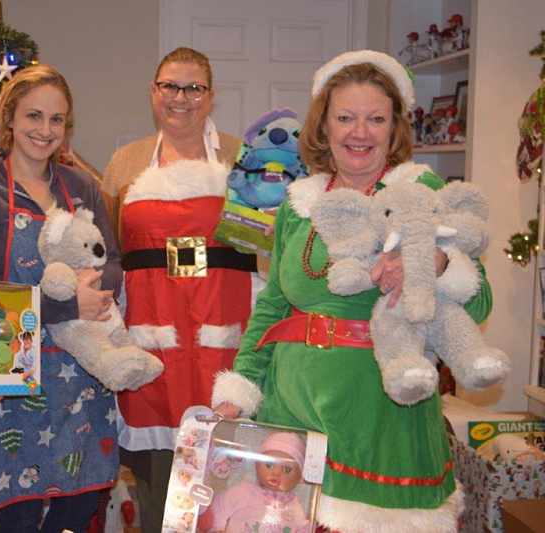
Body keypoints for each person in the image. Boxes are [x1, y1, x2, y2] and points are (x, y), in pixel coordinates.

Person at [211, 50, 492, 532]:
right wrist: (240, 389)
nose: (359, 132)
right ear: (323, 126)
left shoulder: (420, 193)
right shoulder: (297, 206)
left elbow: (480, 302)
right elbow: (273, 306)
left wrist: (438, 263)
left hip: (382, 415)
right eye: (345, 118)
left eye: (375, 119)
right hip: (292, 407)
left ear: (394, 127)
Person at [0, 64, 120, 533]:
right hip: (13, 383)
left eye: (56, 119)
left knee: (77, 511)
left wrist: (99, 291)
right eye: (34, 116)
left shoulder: (82, 188)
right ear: (10, 118)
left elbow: (112, 261)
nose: (45, 130)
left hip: (82, 382)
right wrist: (70, 306)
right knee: (20, 517)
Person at [102, 47, 257, 532]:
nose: (180, 98)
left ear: (210, 95)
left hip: (222, 344)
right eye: (170, 86)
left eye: (193, 87)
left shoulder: (243, 158)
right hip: (153, 348)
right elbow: (110, 253)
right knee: (158, 491)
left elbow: (268, 248)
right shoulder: (125, 163)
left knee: (229, 491)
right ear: (154, 91)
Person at [201, 431, 309, 533]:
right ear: (257, 465)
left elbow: (304, 527)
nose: (276, 473)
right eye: (269, 465)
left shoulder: (296, 508)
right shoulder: (243, 492)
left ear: (300, 477)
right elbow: (214, 514)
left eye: (287, 469)